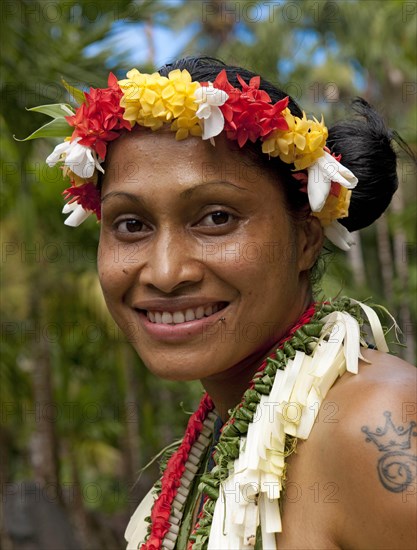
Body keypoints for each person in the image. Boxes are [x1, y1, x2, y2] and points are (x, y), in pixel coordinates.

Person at [24, 56, 416, 549]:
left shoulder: (376, 425)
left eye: (215, 218)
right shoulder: (220, 438)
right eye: (131, 225)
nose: (166, 273)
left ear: (306, 239)